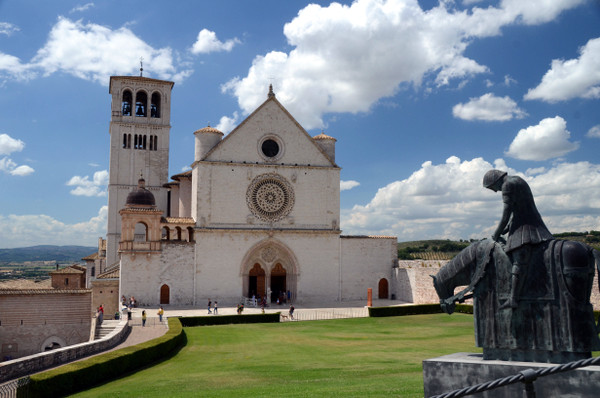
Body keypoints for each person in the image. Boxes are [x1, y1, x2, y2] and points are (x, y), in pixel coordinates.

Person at [483, 170, 553, 309]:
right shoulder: (517, 180)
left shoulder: (507, 185)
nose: (495, 191)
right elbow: (518, 210)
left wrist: (496, 234)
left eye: (492, 188)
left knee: (519, 259)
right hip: (526, 222)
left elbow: (507, 213)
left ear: (495, 181)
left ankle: (513, 298)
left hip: (526, 226)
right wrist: (507, 229)